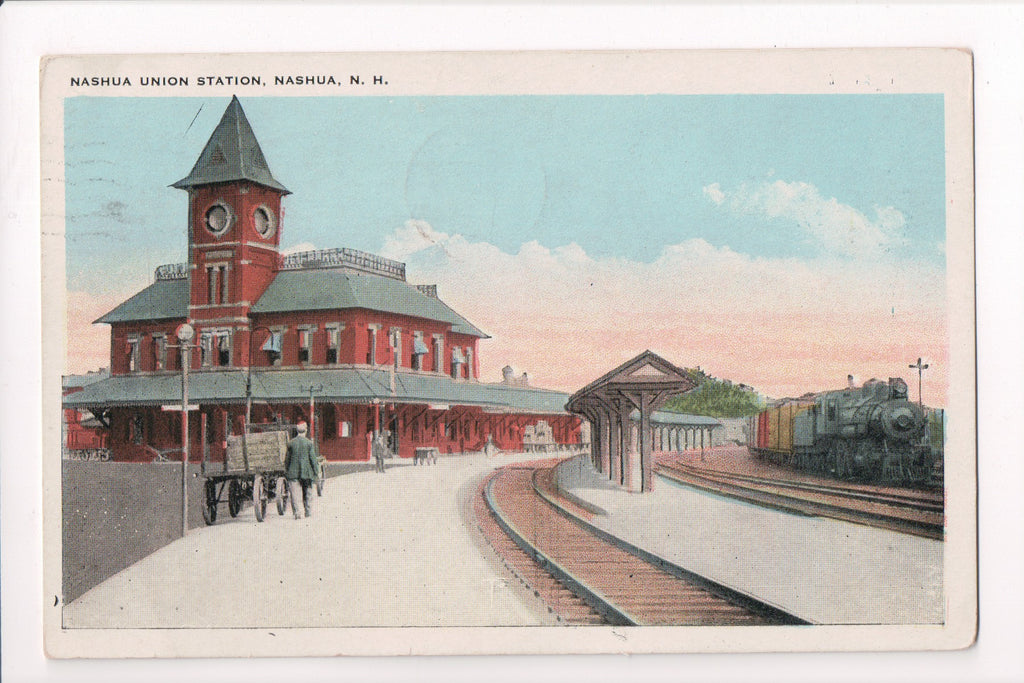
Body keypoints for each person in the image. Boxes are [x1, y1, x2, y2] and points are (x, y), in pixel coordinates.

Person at [285, 422, 318, 519]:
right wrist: (316, 472)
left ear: (296, 431)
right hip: (306, 473)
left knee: (294, 494)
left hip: (293, 472)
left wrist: (287, 470)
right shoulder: (309, 443)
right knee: (307, 492)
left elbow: (287, 460)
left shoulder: (291, 443)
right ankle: (307, 512)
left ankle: (297, 513)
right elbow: (313, 459)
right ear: (306, 430)